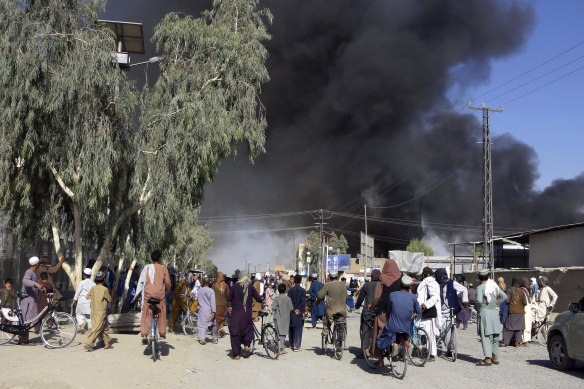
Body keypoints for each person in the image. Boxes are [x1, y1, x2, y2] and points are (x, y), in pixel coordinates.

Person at [376, 275, 421, 356]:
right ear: (411, 286)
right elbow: (418, 311)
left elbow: (388, 310)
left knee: (385, 335)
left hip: (393, 325)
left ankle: (394, 345)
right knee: (405, 335)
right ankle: (408, 344)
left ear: (400, 284)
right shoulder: (413, 296)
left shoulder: (392, 295)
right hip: (406, 326)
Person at [370, 259, 402, 367]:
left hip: (384, 312)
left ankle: (380, 360)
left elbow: (378, 296)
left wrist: (373, 306)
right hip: (397, 311)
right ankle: (395, 349)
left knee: (379, 332)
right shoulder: (401, 278)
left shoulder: (382, 279)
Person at [135, 250, 171, 343]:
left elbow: (141, 281)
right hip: (160, 296)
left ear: (152, 258)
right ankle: (162, 333)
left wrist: (138, 293)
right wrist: (167, 290)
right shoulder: (164, 268)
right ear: (160, 259)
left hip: (148, 295)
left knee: (146, 313)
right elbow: (167, 283)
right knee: (162, 312)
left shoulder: (146, 268)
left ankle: (144, 334)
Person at [226, 272, 263, 359]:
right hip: (247, 314)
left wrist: (231, 305)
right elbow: (258, 298)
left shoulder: (235, 286)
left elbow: (229, 299)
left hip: (236, 314)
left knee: (235, 333)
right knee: (247, 331)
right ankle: (246, 346)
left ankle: (236, 354)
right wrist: (261, 299)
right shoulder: (250, 286)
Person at [475, 269, 507, 366]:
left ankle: (487, 359)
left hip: (485, 313)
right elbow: (504, 296)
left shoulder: (480, 287)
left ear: (479, 278)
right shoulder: (493, 286)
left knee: (486, 336)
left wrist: (479, 308)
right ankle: (495, 357)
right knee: (495, 336)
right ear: (488, 277)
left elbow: (479, 301)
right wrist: (494, 304)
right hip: (494, 313)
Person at [435, 268, 468, 356]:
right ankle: (450, 347)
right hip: (440, 311)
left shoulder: (451, 282)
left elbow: (464, 289)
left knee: (445, 330)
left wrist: (465, 301)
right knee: (444, 330)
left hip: (451, 310)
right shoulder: (435, 284)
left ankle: (451, 348)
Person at [316, 271, 348, 352]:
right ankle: (340, 343)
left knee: (326, 324)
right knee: (342, 322)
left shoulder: (328, 285)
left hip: (331, 310)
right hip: (342, 310)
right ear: (337, 277)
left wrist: (317, 301)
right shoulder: (343, 285)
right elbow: (346, 296)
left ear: (330, 277)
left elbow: (320, 295)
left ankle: (325, 337)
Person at [416, 267, 441, 362]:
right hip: (431, 311)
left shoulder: (426, 283)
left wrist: (426, 304)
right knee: (430, 334)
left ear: (424, 275)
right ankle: (431, 354)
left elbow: (434, 296)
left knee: (427, 334)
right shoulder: (435, 283)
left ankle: (430, 355)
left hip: (426, 311)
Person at [84, 271, 113, 351]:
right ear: (104, 279)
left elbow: (87, 297)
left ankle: (106, 343)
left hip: (93, 311)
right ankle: (88, 343)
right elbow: (109, 299)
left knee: (103, 327)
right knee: (97, 328)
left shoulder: (93, 288)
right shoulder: (105, 289)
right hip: (101, 311)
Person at [20, 256, 45, 345]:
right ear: (37, 264)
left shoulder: (33, 273)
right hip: (27, 301)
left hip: (31, 300)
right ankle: (24, 340)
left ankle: (23, 339)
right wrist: (36, 284)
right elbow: (25, 281)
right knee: (27, 320)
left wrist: (41, 287)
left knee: (27, 320)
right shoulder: (29, 272)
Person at [355, 269, 380, 357]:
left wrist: (357, 306)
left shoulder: (367, 285)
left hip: (368, 311)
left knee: (366, 329)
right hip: (379, 312)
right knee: (378, 330)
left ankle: (366, 352)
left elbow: (361, 298)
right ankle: (376, 350)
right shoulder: (382, 285)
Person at [500, 277, 527, 347]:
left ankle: (505, 342)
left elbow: (507, 300)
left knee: (508, 328)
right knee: (518, 329)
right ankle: (517, 342)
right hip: (520, 312)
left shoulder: (510, 290)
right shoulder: (522, 291)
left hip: (512, 312)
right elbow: (525, 302)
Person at [71, 268, 95, 334]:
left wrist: (74, 300)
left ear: (84, 275)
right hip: (89, 301)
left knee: (79, 314)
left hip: (82, 300)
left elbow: (78, 292)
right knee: (88, 316)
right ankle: (90, 329)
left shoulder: (82, 282)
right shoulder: (93, 283)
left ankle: (81, 326)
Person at [271, 283, 293, 355]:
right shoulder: (288, 298)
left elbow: (273, 307)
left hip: (278, 317)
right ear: (285, 290)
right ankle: (282, 348)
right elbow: (291, 308)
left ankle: (279, 347)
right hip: (286, 318)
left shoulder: (276, 298)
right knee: (283, 333)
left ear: (278, 290)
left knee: (277, 332)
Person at [287, 274, 306, 351]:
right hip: (300, 311)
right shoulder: (303, 290)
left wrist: (294, 309)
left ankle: (291, 343)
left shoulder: (290, 290)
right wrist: (301, 311)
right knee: (299, 328)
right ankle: (296, 345)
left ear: (294, 281)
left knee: (291, 327)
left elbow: (289, 302)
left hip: (292, 311)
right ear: (301, 281)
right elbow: (303, 302)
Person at [197, 277, 217, 345]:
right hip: (209, 310)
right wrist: (213, 311)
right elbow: (213, 302)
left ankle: (202, 339)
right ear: (209, 283)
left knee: (202, 325)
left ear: (203, 282)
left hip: (202, 310)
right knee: (213, 325)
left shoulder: (199, 290)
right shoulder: (211, 291)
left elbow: (198, 301)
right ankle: (215, 339)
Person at [211, 271, 230, 336]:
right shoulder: (226, 285)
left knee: (217, 320)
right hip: (224, 305)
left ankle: (218, 333)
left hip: (216, 305)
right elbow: (228, 296)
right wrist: (230, 305)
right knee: (222, 318)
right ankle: (221, 327)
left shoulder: (214, 285)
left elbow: (211, 295)